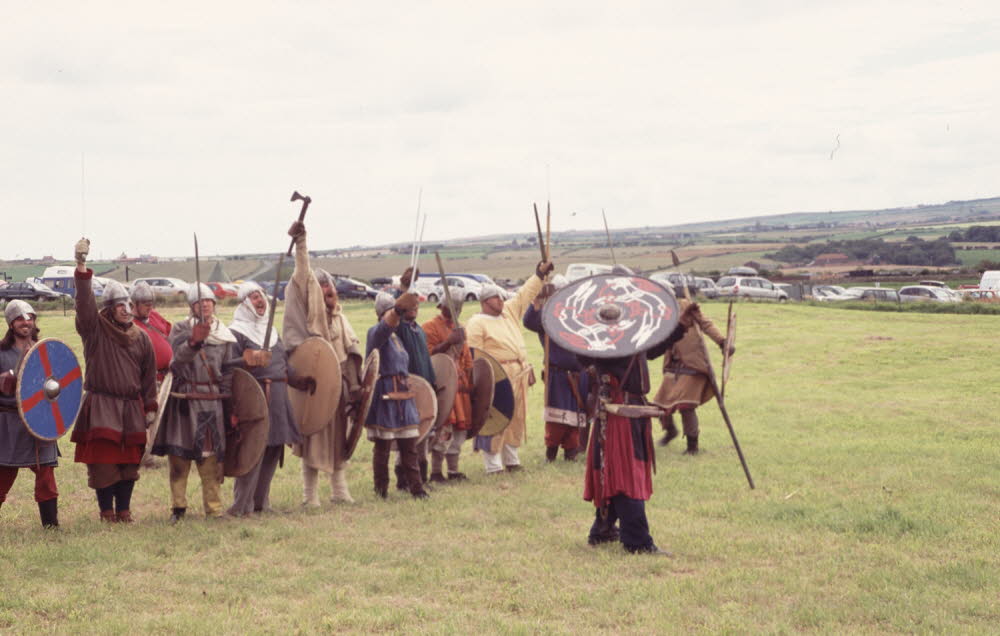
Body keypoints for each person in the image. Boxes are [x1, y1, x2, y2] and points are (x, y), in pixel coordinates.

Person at [583, 298, 698, 554]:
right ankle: (637, 541)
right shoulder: (603, 346)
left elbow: (652, 349)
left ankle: (602, 530)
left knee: (617, 472)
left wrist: (680, 327)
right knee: (626, 476)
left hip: (627, 412)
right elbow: (641, 348)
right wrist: (677, 324)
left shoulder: (624, 342)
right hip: (618, 415)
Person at [71, 239, 158, 523]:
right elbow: (84, 306)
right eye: (119, 305)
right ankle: (106, 511)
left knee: (129, 462)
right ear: (108, 308)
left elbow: (147, 374)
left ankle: (124, 509)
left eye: (128, 304)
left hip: (131, 407)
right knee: (104, 462)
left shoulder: (140, 337)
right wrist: (81, 268)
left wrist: (150, 405)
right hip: (102, 404)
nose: (125, 309)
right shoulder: (95, 330)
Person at [283, 221, 363, 506]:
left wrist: (354, 385)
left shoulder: (341, 318)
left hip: (338, 385)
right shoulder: (312, 318)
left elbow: (351, 352)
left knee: (338, 440)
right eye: (323, 290)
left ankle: (340, 490)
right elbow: (303, 275)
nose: (329, 294)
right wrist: (301, 243)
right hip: (315, 385)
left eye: (331, 289)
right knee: (313, 438)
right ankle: (310, 496)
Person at [152, 281, 235, 522]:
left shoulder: (224, 334)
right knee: (179, 458)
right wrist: (193, 343)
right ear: (192, 306)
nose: (205, 305)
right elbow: (175, 363)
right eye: (200, 302)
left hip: (211, 403)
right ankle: (178, 508)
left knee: (209, 458)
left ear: (214, 304)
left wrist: (229, 404)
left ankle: (214, 509)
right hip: (184, 401)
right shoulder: (180, 330)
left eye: (209, 301)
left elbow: (228, 371)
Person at [465, 259, 553, 474]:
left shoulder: (509, 312)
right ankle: (493, 464)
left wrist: (539, 276)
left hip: (518, 372)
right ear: (486, 301)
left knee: (516, 417)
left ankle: (512, 460)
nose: (501, 300)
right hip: (495, 376)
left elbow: (524, 294)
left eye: (501, 296)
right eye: (496, 297)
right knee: (494, 417)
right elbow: (473, 356)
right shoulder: (477, 322)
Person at [226, 282, 302, 516]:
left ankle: (261, 502)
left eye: (261, 297)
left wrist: (302, 380)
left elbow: (283, 365)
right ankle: (242, 505)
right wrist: (248, 359)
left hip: (278, 397)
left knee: (273, 450)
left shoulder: (272, 331)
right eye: (254, 298)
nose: (260, 301)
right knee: (253, 450)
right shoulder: (236, 331)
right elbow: (228, 367)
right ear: (245, 303)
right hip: (255, 398)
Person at [0, 301, 60, 528]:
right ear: (11, 324)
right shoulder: (2, 352)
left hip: (39, 420)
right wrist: (8, 377)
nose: (26, 322)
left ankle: (51, 526)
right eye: (19, 319)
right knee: (3, 474)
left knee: (46, 472)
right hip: (9, 421)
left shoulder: (44, 350)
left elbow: (58, 383)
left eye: (29, 318)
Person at [365, 292, 427, 499]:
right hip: (385, 394)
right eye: (393, 313)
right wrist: (397, 310)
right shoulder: (376, 333)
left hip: (403, 393)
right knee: (383, 448)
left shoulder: (397, 338)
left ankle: (417, 489)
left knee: (409, 446)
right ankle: (381, 491)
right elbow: (386, 327)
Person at [652, 296, 732, 454]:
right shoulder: (658, 310)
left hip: (693, 364)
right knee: (660, 405)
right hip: (673, 366)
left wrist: (722, 342)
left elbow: (706, 323)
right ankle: (670, 431)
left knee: (685, 405)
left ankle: (692, 446)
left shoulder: (686, 306)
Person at [523, 274, 590, 462]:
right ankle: (551, 451)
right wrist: (537, 299)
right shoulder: (546, 316)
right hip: (558, 372)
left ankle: (571, 450)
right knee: (556, 417)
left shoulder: (578, 313)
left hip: (580, 372)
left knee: (577, 414)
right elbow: (529, 322)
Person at [390, 270, 436, 491]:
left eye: (417, 305)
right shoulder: (399, 328)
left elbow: (426, 360)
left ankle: (422, 478)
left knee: (424, 435)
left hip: (424, 387)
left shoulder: (419, 330)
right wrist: (404, 288)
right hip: (407, 387)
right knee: (407, 437)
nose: (415, 308)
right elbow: (395, 312)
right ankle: (403, 481)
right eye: (411, 305)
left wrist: (433, 385)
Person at [421, 300, 471, 483]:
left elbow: (466, 358)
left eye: (458, 307)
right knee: (443, 429)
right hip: (441, 383)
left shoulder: (461, 328)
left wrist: (468, 378)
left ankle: (453, 470)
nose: (455, 310)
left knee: (459, 432)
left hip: (460, 386)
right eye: (451, 306)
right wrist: (448, 342)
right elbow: (427, 356)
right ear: (441, 306)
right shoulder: (429, 327)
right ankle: (435, 472)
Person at [130, 280, 173, 468]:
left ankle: (170, 450)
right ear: (134, 305)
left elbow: (171, 333)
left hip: (167, 378)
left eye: (151, 303)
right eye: (146, 304)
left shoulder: (155, 317)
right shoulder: (129, 325)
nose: (150, 307)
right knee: (146, 418)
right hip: (146, 379)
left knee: (169, 417)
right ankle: (144, 456)